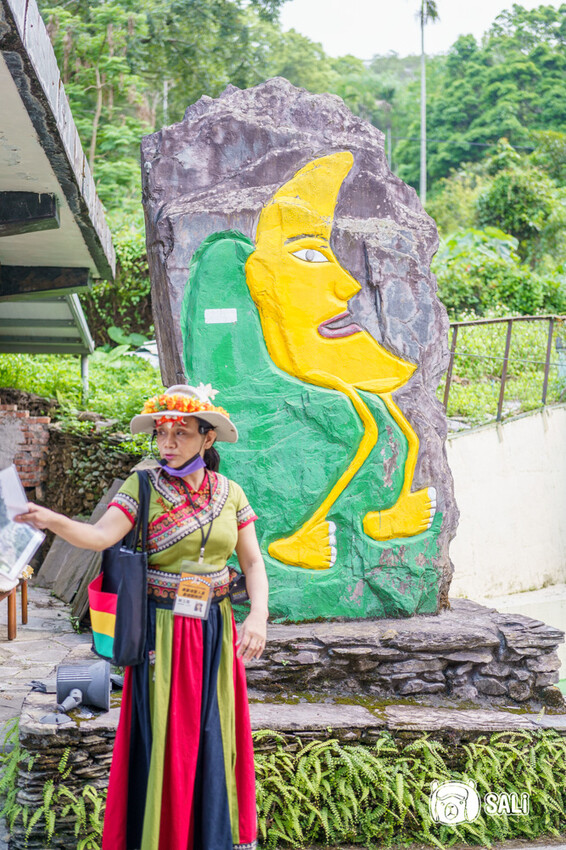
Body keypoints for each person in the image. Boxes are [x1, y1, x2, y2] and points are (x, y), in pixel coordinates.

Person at [16, 383, 269, 850]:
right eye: (161, 433)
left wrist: (258, 618)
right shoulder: (143, 486)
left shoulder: (231, 493)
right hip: (163, 633)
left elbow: (252, 563)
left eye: (181, 433)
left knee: (215, 729)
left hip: (216, 628)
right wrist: (51, 520)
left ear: (207, 438)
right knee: (168, 735)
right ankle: (163, 837)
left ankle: (212, 837)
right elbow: (98, 537)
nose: (167, 443)